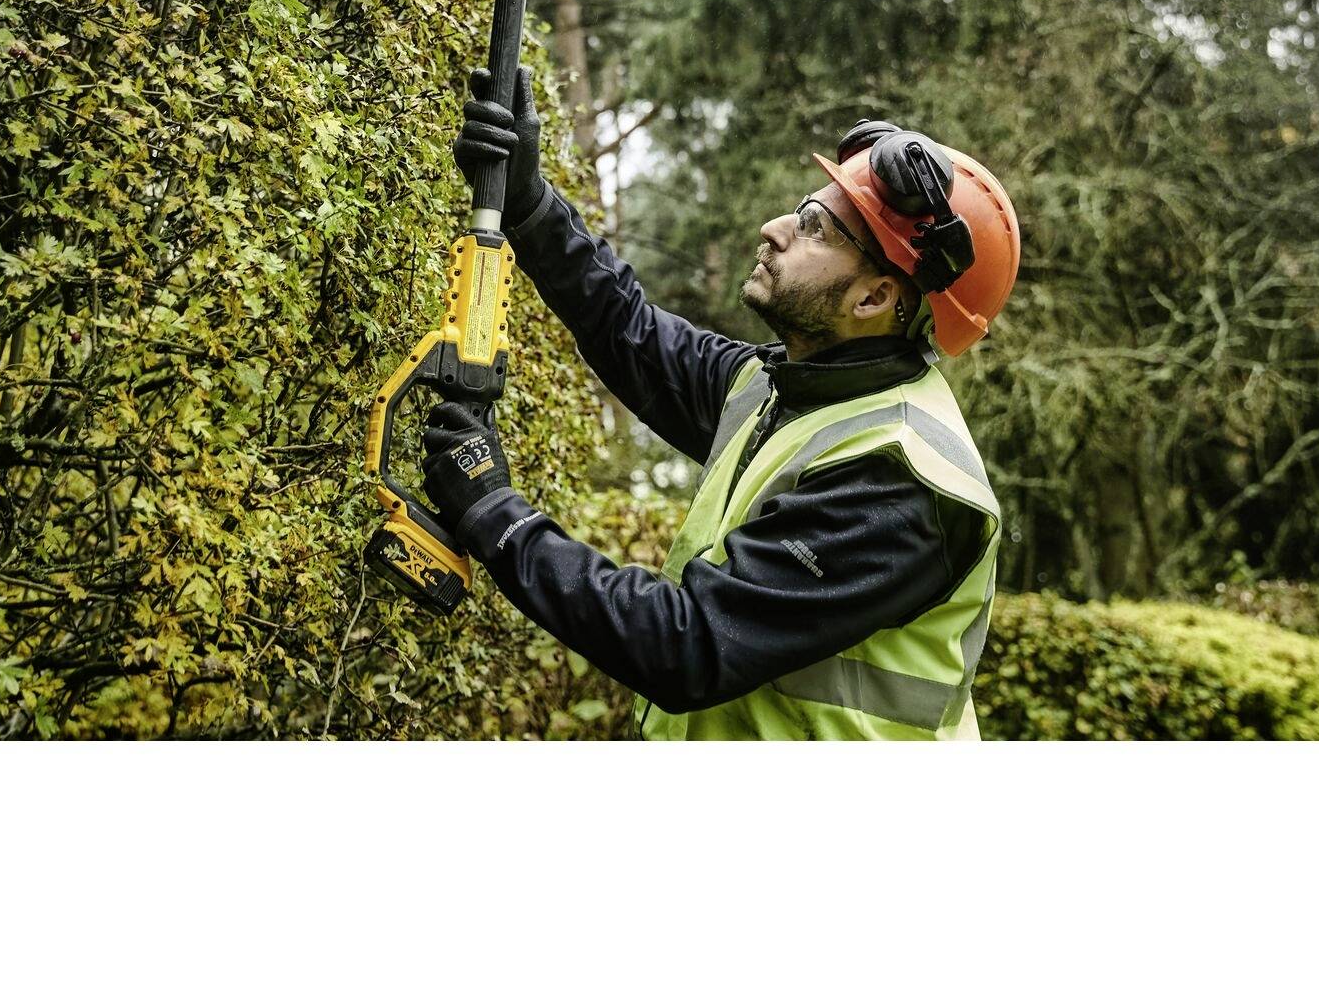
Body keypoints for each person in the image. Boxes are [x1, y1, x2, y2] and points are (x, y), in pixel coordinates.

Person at [420, 69, 1022, 741]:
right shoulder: (783, 390)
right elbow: (631, 332)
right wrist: (529, 202)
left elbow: (689, 644)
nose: (775, 229)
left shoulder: (898, 480)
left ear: (875, 299)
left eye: (817, 229)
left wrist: (495, 515)